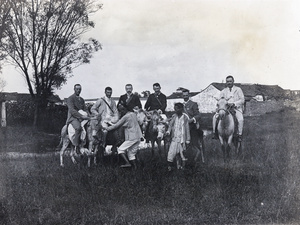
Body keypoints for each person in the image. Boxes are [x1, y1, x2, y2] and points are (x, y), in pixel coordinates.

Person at [104, 104, 143, 169]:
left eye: (121, 111)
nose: (120, 112)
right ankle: (135, 169)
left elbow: (116, 126)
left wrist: (106, 128)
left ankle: (127, 163)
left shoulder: (125, 117)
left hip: (131, 137)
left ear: (124, 110)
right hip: (138, 137)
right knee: (131, 154)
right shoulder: (133, 114)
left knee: (120, 149)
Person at [212, 75, 245, 142]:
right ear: (226, 82)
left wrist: (234, 103)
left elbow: (242, 100)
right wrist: (220, 106)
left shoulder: (238, 89)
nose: (229, 83)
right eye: (227, 81)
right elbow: (220, 100)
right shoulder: (223, 91)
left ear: (233, 81)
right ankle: (215, 133)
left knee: (240, 119)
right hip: (226, 108)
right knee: (215, 117)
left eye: (230, 81)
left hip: (235, 108)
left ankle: (239, 135)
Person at [66, 84, 90, 154]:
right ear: (74, 89)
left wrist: (90, 116)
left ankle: (86, 144)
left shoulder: (82, 99)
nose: (78, 90)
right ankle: (77, 146)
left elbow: (85, 109)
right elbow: (72, 110)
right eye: (77, 89)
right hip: (73, 118)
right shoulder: (70, 98)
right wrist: (82, 116)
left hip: (82, 117)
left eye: (79, 89)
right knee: (78, 128)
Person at [166, 103, 190, 171]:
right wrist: (168, 131)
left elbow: (187, 128)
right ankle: (169, 168)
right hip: (175, 138)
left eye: (177, 109)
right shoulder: (174, 117)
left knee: (182, 154)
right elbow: (170, 125)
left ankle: (182, 168)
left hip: (182, 139)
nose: (175, 110)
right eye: (175, 109)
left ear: (181, 109)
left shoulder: (185, 118)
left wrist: (188, 140)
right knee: (171, 152)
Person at [182, 89, 202, 158]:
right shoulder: (180, 105)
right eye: (184, 95)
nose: (185, 97)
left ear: (189, 95)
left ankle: (196, 157)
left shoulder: (193, 104)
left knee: (193, 142)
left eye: (186, 95)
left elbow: (198, 115)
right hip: (182, 126)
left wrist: (192, 119)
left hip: (191, 126)